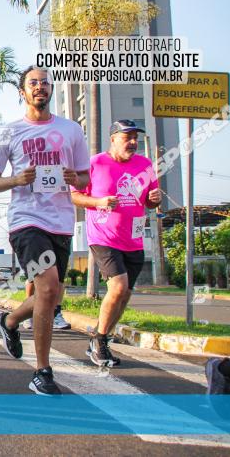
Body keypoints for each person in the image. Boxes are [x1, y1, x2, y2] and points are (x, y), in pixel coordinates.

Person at [0, 66, 89, 395]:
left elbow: (86, 177)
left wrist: (76, 179)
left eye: (45, 83)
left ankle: (10, 321)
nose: (40, 87)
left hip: (61, 221)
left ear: (51, 90)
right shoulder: (8, 132)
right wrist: (16, 179)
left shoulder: (71, 130)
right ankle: (42, 371)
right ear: (23, 92)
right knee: (46, 289)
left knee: (52, 292)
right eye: (33, 83)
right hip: (25, 220)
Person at [71, 119, 161, 366]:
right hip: (103, 237)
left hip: (133, 238)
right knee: (118, 287)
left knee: (125, 295)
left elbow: (151, 201)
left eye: (135, 137)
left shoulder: (145, 165)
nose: (132, 142)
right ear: (113, 139)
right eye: (126, 137)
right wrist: (99, 202)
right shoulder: (95, 163)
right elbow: (75, 196)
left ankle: (101, 338)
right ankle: (99, 341)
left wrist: (154, 198)